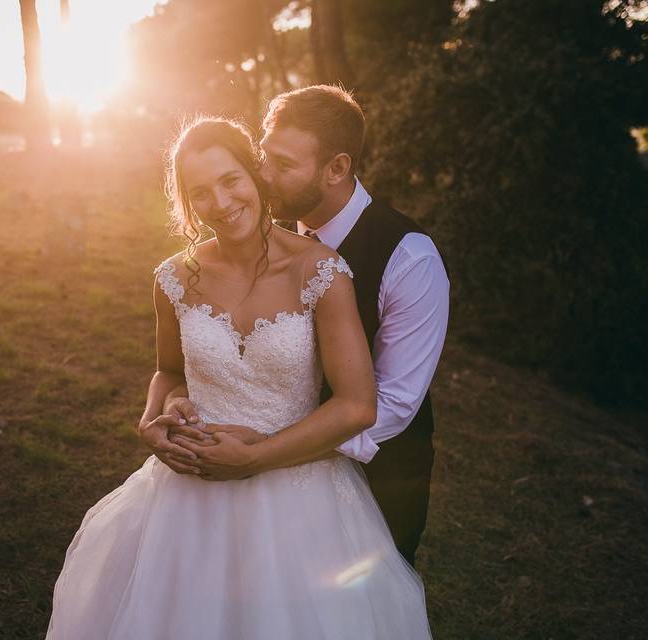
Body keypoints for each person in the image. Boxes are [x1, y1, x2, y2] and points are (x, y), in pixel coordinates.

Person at [44, 117, 431, 639]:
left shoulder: (322, 272)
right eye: (200, 193)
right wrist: (153, 417)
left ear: (256, 175)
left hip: (299, 496)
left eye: (231, 180)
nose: (221, 203)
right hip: (187, 493)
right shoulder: (173, 279)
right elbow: (169, 371)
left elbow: (358, 405)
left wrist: (256, 457)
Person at [154, 85, 450, 567]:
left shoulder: (410, 259)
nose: (263, 177)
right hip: (232, 466)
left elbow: (390, 405)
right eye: (264, 158)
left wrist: (265, 452)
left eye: (283, 166)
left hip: (376, 479)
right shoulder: (268, 234)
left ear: (336, 169)